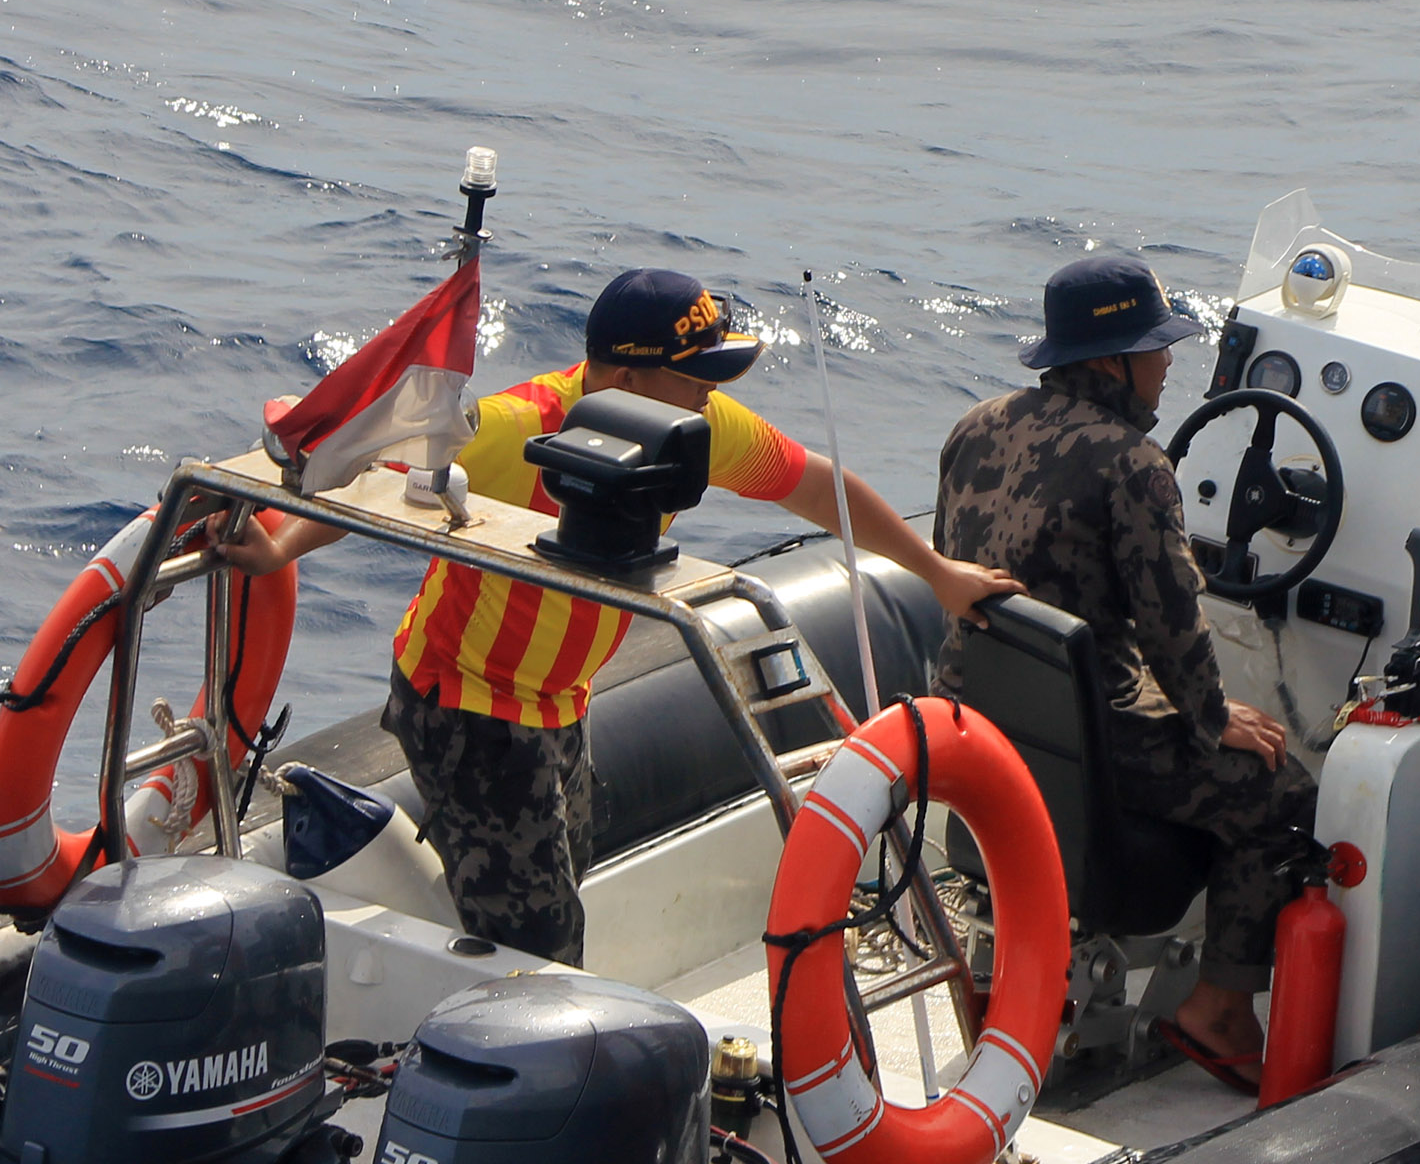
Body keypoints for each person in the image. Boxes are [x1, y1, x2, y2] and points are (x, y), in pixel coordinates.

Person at [217, 268, 1019, 966]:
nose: (713, 395)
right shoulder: (517, 427)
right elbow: (380, 468)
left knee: (569, 878)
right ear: (625, 382)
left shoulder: (696, 433)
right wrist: (282, 548)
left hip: (565, 704)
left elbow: (812, 485)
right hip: (465, 703)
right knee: (544, 943)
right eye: (694, 377)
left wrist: (937, 573)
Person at [934, 252, 1316, 1083]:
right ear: (1112, 362)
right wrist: (1216, 722)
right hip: (1094, 743)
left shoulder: (975, 425)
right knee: (1282, 790)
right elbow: (1173, 626)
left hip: (985, 728)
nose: (1170, 362)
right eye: (1156, 348)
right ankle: (1218, 1010)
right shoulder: (1134, 467)